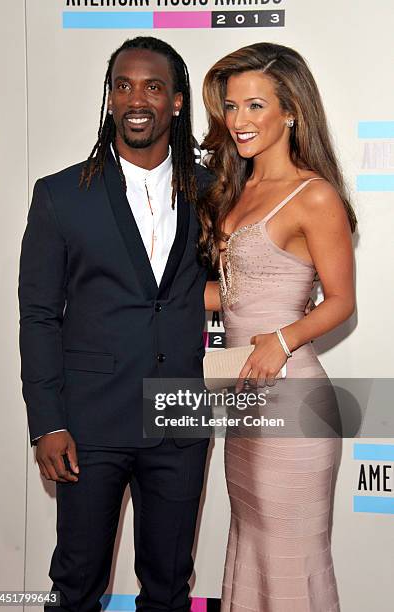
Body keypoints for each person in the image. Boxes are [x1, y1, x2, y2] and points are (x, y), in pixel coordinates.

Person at [19, 36, 212, 612]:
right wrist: (46, 421)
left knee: (170, 585)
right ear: (108, 99)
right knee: (76, 585)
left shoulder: (211, 190)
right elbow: (38, 316)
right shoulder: (60, 195)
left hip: (180, 415)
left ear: (176, 102)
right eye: (122, 85)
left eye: (153, 86)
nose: (136, 98)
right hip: (87, 424)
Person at [200, 43, 356, 611]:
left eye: (254, 106)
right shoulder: (234, 191)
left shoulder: (313, 194)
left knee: (291, 558)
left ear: (291, 111)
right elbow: (236, 294)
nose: (238, 121)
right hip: (245, 400)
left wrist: (284, 339)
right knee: (252, 550)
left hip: (292, 397)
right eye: (231, 107)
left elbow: (341, 301)